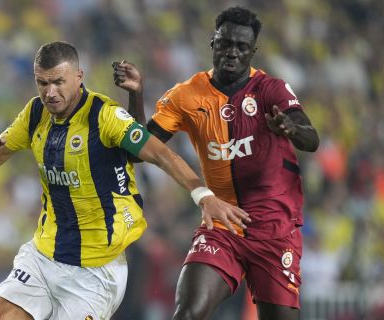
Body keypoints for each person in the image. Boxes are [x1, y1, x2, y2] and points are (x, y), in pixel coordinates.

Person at [0, 41, 250, 320]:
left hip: (96, 272)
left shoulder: (104, 115)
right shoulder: (34, 113)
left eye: (58, 82)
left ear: (79, 77)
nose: (50, 92)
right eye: (42, 83)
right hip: (43, 256)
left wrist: (203, 195)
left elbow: (161, 154)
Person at [113, 6, 319, 320]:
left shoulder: (270, 90)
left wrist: (290, 129)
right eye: (225, 44)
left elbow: (311, 139)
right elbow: (138, 150)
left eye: (241, 47)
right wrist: (137, 95)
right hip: (222, 225)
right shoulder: (186, 95)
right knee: (188, 313)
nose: (232, 52)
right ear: (213, 43)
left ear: (253, 51)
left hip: (276, 230)